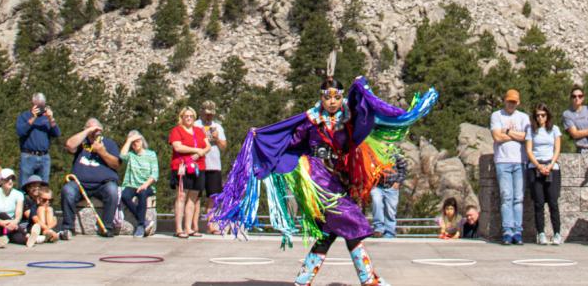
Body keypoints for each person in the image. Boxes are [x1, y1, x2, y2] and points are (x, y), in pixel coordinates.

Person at [210, 75, 437, 286]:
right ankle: (368, 280)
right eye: (327, 97)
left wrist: (361, 86)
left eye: (336, 97)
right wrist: (263, 137)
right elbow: (291, 140)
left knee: (328, 233)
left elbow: (364, 112)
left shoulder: (347, 116)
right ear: (321, 98)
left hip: (340, 176)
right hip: (317, 178)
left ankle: (304, 280)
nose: (332, 101)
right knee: (351, 220)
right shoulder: (311, 120)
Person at [60, 117, 121, 239]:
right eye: (91, 128)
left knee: (112, 191)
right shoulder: (81, 143)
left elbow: (116, 164)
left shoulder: (109, 143)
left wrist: (102, 152)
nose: (94, 131)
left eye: (96, 128)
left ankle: (107, 227)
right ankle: (68, 228)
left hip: (103, 183)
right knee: (67, 190)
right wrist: (87, 131)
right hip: (80, 183)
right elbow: (69, 145)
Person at [489, 89, 530, 245]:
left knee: (518, 198)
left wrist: (506, 131)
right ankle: (507, 230)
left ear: (518, 102)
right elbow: (497, 137)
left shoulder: (523, 117)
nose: (511, 104)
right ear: (504, 101)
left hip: (520, 160)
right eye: (509, 101)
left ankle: (517, 231)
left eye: (514, 102)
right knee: (506, 196)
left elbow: (526, 136)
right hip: (503, 160)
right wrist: (515, 135)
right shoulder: (496, 115)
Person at [525, 103, 563, 245]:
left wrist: (550, 165)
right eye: (538, 116)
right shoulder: (531, 130)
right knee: (539, 202)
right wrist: (539, 166)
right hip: (536, 166)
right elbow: (529, 150)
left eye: (543, 115)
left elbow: (557, 149)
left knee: (553, 202)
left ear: (547, 116)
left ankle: (557, 233)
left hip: (551, 166)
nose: (540, 118)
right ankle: (541, 233)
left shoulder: (554, 129)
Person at [169, 106, 209, 238]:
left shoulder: (199, 130)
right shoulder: (177, 130)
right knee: (181, 196)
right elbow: (177, 147)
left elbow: (207, 146)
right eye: (186, 116)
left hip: (199, 166)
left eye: (191, 116)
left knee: (193, 197)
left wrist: (201, 153)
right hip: (182, 166)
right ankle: (179, 228)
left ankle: (188, 227)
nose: (189, 118)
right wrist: (196, 150)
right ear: (181, 117)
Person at [194, 101, 227, 234]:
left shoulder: (217, 126)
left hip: (214, 165)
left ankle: (211, 225)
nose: (208, 117)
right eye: (206, 114)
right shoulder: (195, 125)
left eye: (211, 114)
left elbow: (224, 146)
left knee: (213, 196)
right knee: (195, 195)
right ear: (201, 112)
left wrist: (217, 138)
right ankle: (194, 225)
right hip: (198, 164)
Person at [119, 130, 159, 237]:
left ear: (141, 141)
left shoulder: (151, 154)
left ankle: (140, 225)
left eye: (137, 141)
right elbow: (122, 156)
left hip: (147, 185)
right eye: (133, 143)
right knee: (124, 196)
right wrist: (129, 141)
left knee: (142, 194)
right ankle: (145, 221)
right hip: (131, 184)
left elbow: (155, 174)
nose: (135, 144)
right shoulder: (131, 155)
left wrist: (145, 185)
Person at [16, 93, 60, 184]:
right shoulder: (24, 116)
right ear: (33, 104)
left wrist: (51, 119)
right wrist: (33, 117)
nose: (40, 109)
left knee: (43, 185)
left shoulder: (46, 118)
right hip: (28, 156)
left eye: (42, 106)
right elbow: (20, 132)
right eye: (38, 106)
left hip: (44, 157)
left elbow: (57, 133)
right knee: (25, 184)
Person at [370, 150, 407, 238]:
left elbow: (403, 169)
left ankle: (389, 233)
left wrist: (397, 182)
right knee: (376, 203)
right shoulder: (373, 152)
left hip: (392, 186)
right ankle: (378, 229)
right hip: (377, 185)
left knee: (390, 210)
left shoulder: (395, 152)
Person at [0, 169, 27, 245]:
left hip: (11, 226)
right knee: (3, 215)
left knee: (18, 238)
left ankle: (29, 239)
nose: (10, 181)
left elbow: (18, 215)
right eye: (7, 179)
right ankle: (26, 234)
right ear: (1, 180)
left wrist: (13, 223)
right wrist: (2, 223)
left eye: (12, 179)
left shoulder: (19, 195)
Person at [22, 175, 59, 245]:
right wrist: (46, 228)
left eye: (39, 186)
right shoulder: (26, 200)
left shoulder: (49, 206)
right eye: (34, 186)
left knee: (49, 209)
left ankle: (47, 234)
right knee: (41, 209)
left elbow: (55, 220)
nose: (37, 188)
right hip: (33, 226)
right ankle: (44, 235)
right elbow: (33, 218)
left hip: (47, 227)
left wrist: (48, 228)